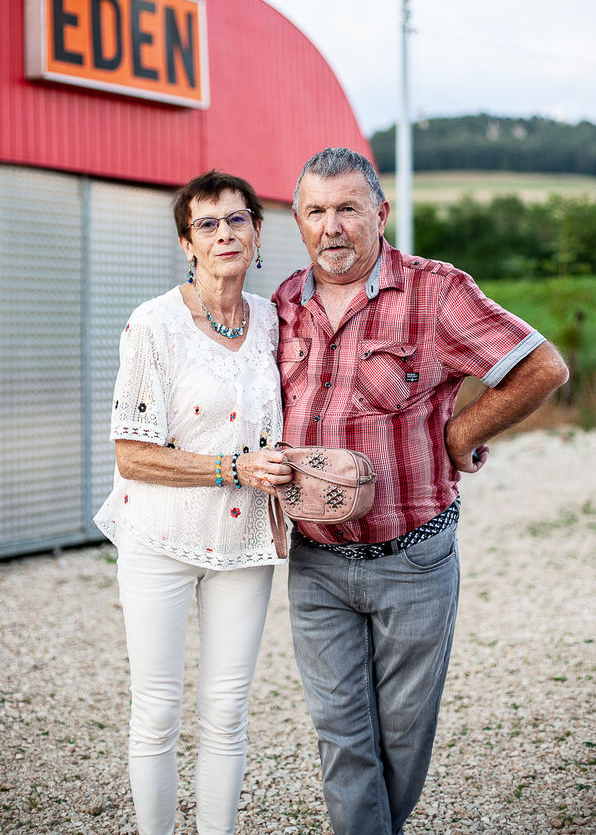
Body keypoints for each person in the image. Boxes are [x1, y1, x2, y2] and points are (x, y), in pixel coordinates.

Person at [272, 147, 569, 835]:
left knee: (402, 735)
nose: (331, 227)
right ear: (298, 219)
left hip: (412, 557)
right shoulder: (283, 304)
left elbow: (542, 368)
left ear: (380, 214)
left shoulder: (434, 293)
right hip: (315, 562)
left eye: (348, 209)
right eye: (316, 211)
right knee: (341, 735)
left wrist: (463, 431)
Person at [94, 169, 292, 835]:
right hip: (159, 538)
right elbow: (132, 455)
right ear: (187, 243)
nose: (224, 234)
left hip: (244, 545)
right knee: (157, 712)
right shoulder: (153, 325)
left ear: (257, 231)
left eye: (237, 219)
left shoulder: (273, 321)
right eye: (206, 224)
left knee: (227, 712)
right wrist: (234, 467)